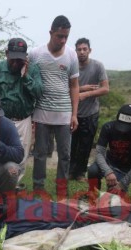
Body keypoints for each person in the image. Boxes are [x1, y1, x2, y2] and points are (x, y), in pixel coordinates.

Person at [29, 15, 79, 191]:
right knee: (40, 153)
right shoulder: (36, 54)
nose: (63, 40)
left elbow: (74, 85)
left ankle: (61, 189)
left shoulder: (72, 55)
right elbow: (28, 79)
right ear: (51, 32)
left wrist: (74, 114)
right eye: (60, 36)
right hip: (42, 112)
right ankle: (38, 187)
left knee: (65, 154)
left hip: (64, 114)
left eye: (66, 36)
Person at [0, 38, 43, 182]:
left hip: (23, 120)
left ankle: (15, 185)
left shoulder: (33, 69)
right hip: (1, 120)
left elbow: (39, 92)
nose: (16, 63)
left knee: (21, 156)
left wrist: (26, 76)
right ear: (6, 53)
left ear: (26, 58)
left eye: (20, 60)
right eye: (13, 59)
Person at [87, 104, 131, 194]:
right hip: (109, 162)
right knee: (92, 170)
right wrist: (108, 172)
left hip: (126, 169)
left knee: (114, 199)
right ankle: (92, 194)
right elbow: (99, 153)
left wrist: (122, 183)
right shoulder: (108, 127)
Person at [70, 38, 109, 182]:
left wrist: (86, 94)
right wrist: (82, 89)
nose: (81, 52)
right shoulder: (71, 66)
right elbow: (65, 89)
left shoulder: (98, 66)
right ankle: (70, 172)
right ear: (75, 51)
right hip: (72, 113)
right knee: (71, 145)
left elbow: (105, 89)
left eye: (84, 49)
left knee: (86, 145)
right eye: (79, 49)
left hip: (91, 113)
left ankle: (80, 173)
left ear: (89, 50)